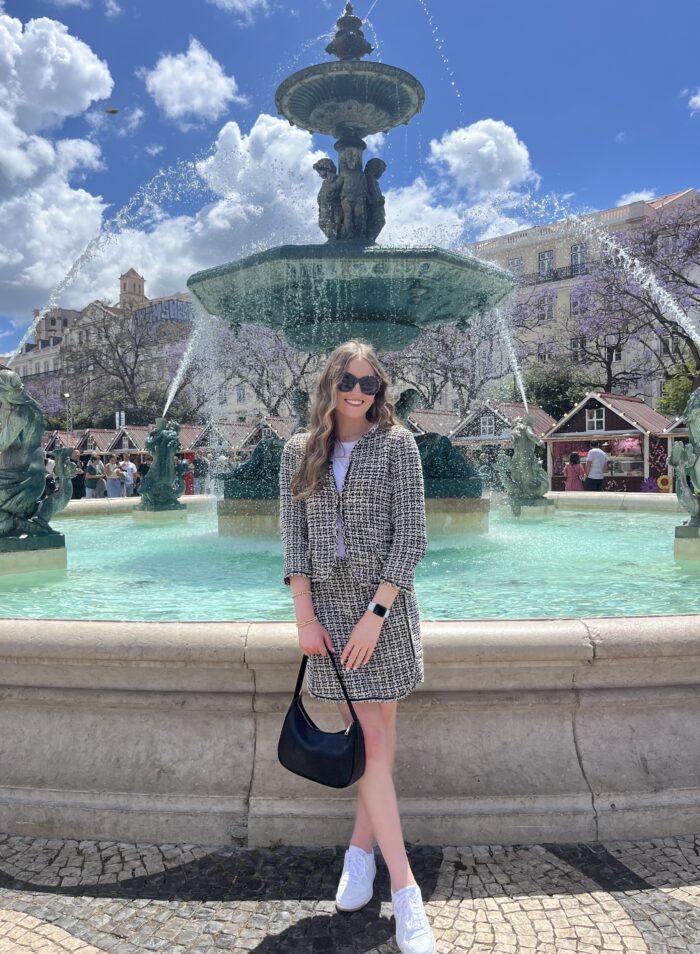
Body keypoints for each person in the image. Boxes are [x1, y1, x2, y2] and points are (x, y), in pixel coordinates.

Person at [279, 340, 435, 954]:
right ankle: (387, 873)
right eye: (348, 379)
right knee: (374, 742)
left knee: (374, 740)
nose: (358, 392)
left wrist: (376, 613)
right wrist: (304, 617)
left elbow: (412, 537)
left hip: (384, 612)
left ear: (380, 391)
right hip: (329, 614)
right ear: (330, 382)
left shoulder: (399, 445)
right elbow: (293, 538)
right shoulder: (299, 450)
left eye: (370, 383)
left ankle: (387, 876)